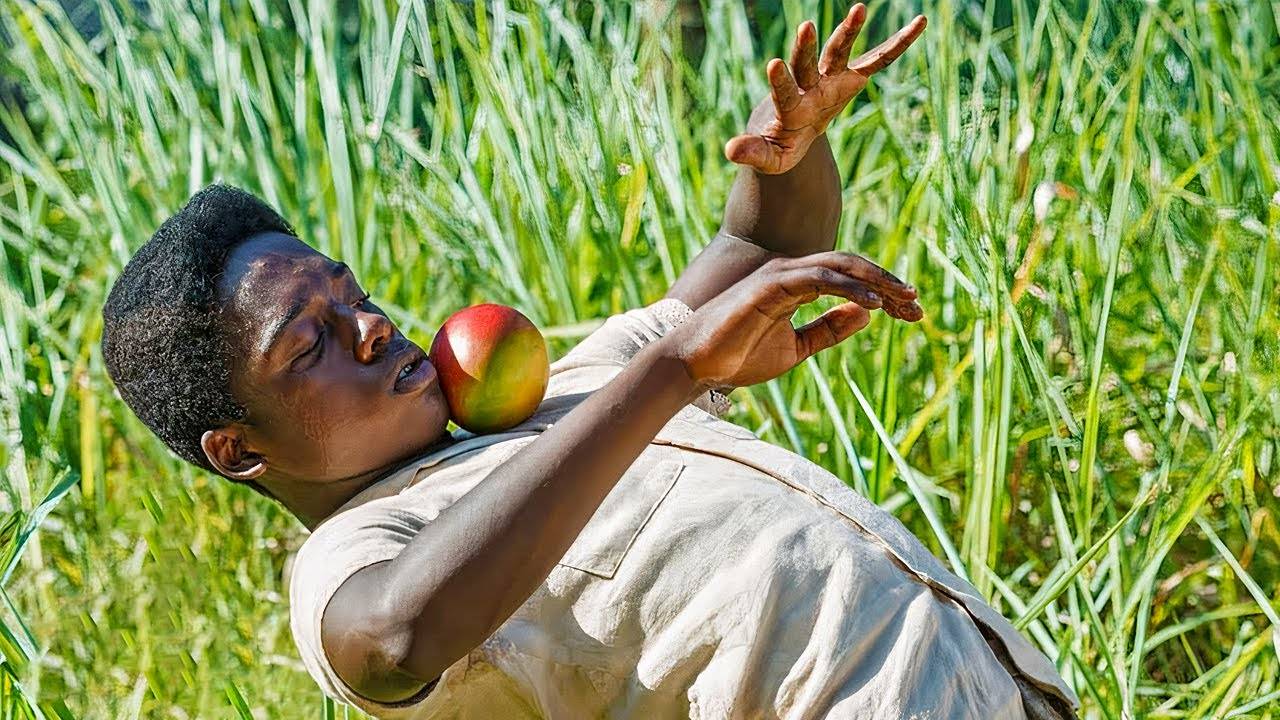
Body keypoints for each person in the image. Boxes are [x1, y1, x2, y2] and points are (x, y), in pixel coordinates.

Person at [101, 5, 1078, 718]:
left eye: (352, 295)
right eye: (312, 343)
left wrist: (789, 156)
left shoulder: (564, 386)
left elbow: (754, 260)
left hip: (984, 681)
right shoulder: (354, 552)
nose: (370, 329)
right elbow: (396, 637)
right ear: (236, 451)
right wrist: (670, 376)